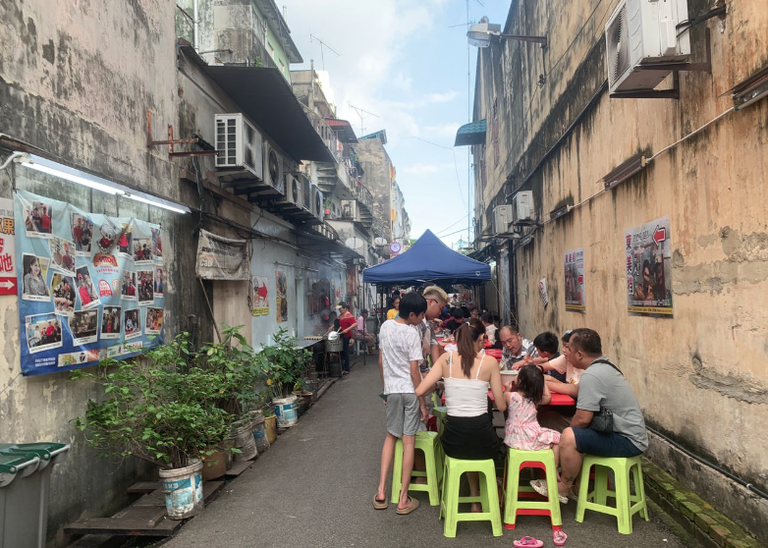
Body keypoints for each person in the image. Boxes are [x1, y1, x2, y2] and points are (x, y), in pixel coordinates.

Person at [416, 318, 506, 512]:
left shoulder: (445, 360)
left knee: (467, 442)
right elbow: (501, 405)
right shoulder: (490, 363)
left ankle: (475, 499)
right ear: (482, 337)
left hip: (453, 440)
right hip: (484, 439)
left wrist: (444, 383)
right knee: (480, 442)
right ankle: (485, 493)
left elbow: (420, 390)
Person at [556, 328, 648, 500]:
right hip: (622, 433)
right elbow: (578, 391)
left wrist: (567, 437)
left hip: (627, 440)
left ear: (580, 354)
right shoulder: (604, 366)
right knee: (560, 426)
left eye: (569, 349)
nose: (566, 352)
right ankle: (578, 484)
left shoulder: (592, 374)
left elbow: (583, 418)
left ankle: (564, 486)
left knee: (569, 436)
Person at [374, 292, 428, 514]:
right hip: (409, 391)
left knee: (389, 436)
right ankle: (403, 499)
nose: (421, 319)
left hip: (393, 390)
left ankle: (381, 493)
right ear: (412, 314)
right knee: (408, 443)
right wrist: (422, 401)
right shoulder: (411, 332)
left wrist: (386, 391)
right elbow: (415, 371)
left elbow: (380, 361)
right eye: (421, 315)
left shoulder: (385, 327)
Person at [503, 364, 568, 503]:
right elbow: (548, 397)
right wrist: (542, 379)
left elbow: (503, 401)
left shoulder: (510, 396)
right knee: (557, 438)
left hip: (514, 440)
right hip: (530, 438)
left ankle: (551, 471)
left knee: (553, 437)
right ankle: (554, 469)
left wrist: (508, 388)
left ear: (519, 381)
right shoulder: (535, 400)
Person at [337, 302, 356, 376]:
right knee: (342, 352)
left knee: (345, 352)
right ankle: (343, 368)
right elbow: (340, 324)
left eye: (340, 309)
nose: (339, 310)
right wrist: (332, 327)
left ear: (345, 308)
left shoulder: (348, 315)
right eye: (339, 309)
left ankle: (347, 369)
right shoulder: (341, 315)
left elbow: (355, 323)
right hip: (341, 335)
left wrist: (347, 329)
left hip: (346, 336)